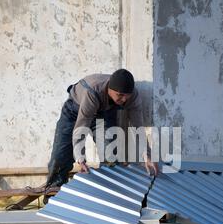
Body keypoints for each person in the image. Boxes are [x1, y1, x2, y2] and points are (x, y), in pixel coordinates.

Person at [44, 69, 158, 198]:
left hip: (103, 115)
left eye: (127, 95)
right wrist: (81, 159)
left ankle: (108, 195)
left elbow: (138, 128)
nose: (124, 99)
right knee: (60, 155)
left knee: (111, 154)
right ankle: (53, 197)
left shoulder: (132, 97)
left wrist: (147, 156)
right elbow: (81, 128)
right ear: (109, 89)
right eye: (119, 95)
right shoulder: (93, 91)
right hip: (74, 111)